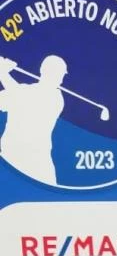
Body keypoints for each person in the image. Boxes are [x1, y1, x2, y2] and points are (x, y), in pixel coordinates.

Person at [0, 55, 67, 185]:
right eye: (58, 74)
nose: (61, 80)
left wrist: (3, 73)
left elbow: (21, 96)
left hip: (37, 162)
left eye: (60, 75)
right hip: (11, 158)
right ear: (43, 70)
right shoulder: (23, 90)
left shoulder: (56, 98)